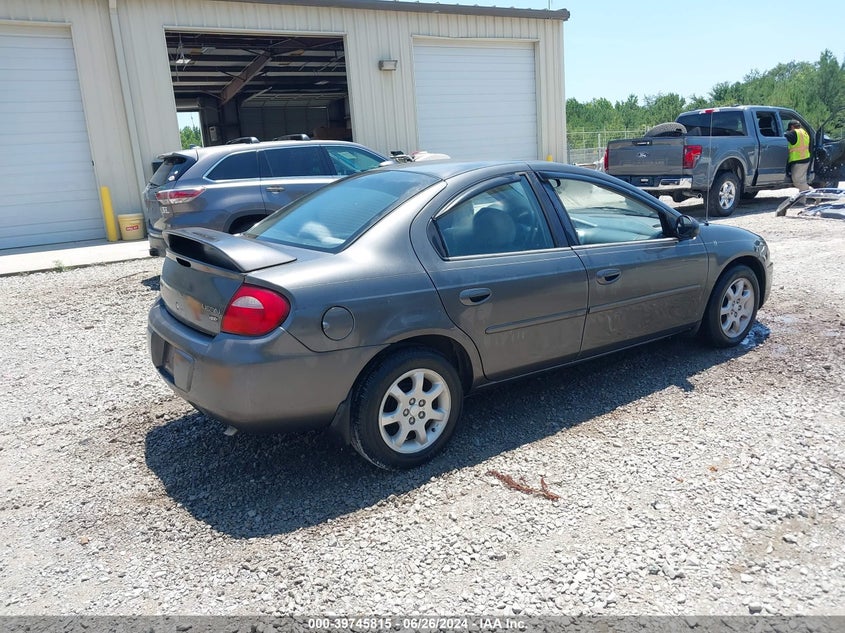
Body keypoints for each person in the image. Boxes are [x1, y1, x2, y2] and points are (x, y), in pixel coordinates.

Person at [785, 120, 811, 191]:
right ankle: (802, 201)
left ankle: (815, 194)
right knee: (802, 181)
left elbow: (784, 136)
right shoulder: (804, 132)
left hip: (799, 160)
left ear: (792, 127)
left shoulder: (794, 133)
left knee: (798, 182)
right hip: (805, 159)